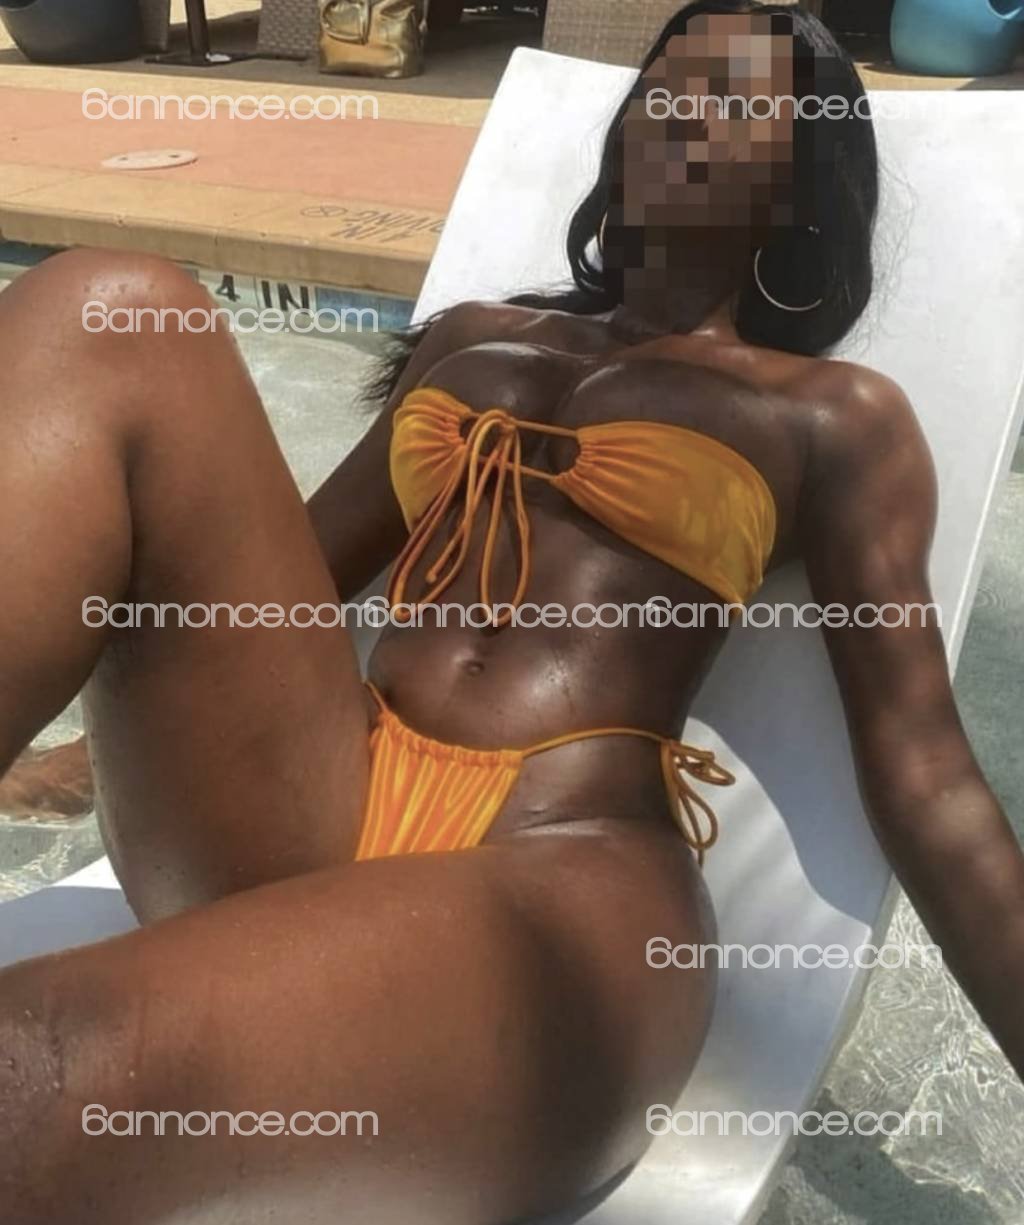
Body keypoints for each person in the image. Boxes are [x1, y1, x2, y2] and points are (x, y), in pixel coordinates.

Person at [1, 3, 1021, 1222]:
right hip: (313, 797)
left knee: (42, 1077)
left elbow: (925, 778)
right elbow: (281, 590)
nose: (680, 111)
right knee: (107, 303)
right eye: (665, 84)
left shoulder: (833, 416)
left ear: (796, 186)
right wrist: (85, 752)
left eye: (733, 103)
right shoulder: (471, 342)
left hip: (558, 891)